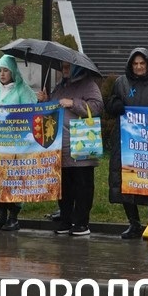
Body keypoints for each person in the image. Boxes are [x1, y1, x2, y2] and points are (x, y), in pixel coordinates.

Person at [106, 47, 148, 239]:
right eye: (135, 64)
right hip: (126, 141)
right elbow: (110, 104)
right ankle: (134, 224)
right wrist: (115, 105)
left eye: (142, 63)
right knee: (126, 181)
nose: (138, 67)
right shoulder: (121, 83)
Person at [38, 60, 104, 236]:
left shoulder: (88, 85)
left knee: (82, 185)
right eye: (62, 67)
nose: (64, 70)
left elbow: (97, 107)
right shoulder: (60, 86)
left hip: (81, 144)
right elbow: (52, 108)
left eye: (67, 67)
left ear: (76, 67)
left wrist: (73, 103)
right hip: (62, 146)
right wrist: (45, 101)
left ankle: (82, 222)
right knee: (65, 187)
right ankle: (66, 219)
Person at [0, 55, 36, 230]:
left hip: (16, 146)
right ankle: (1, 215)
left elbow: (31, 114)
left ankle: (13, 216)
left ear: (13, 72)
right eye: (0, 70)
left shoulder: (24, 91)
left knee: (14, 179)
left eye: (6, 70)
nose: (2, 74)